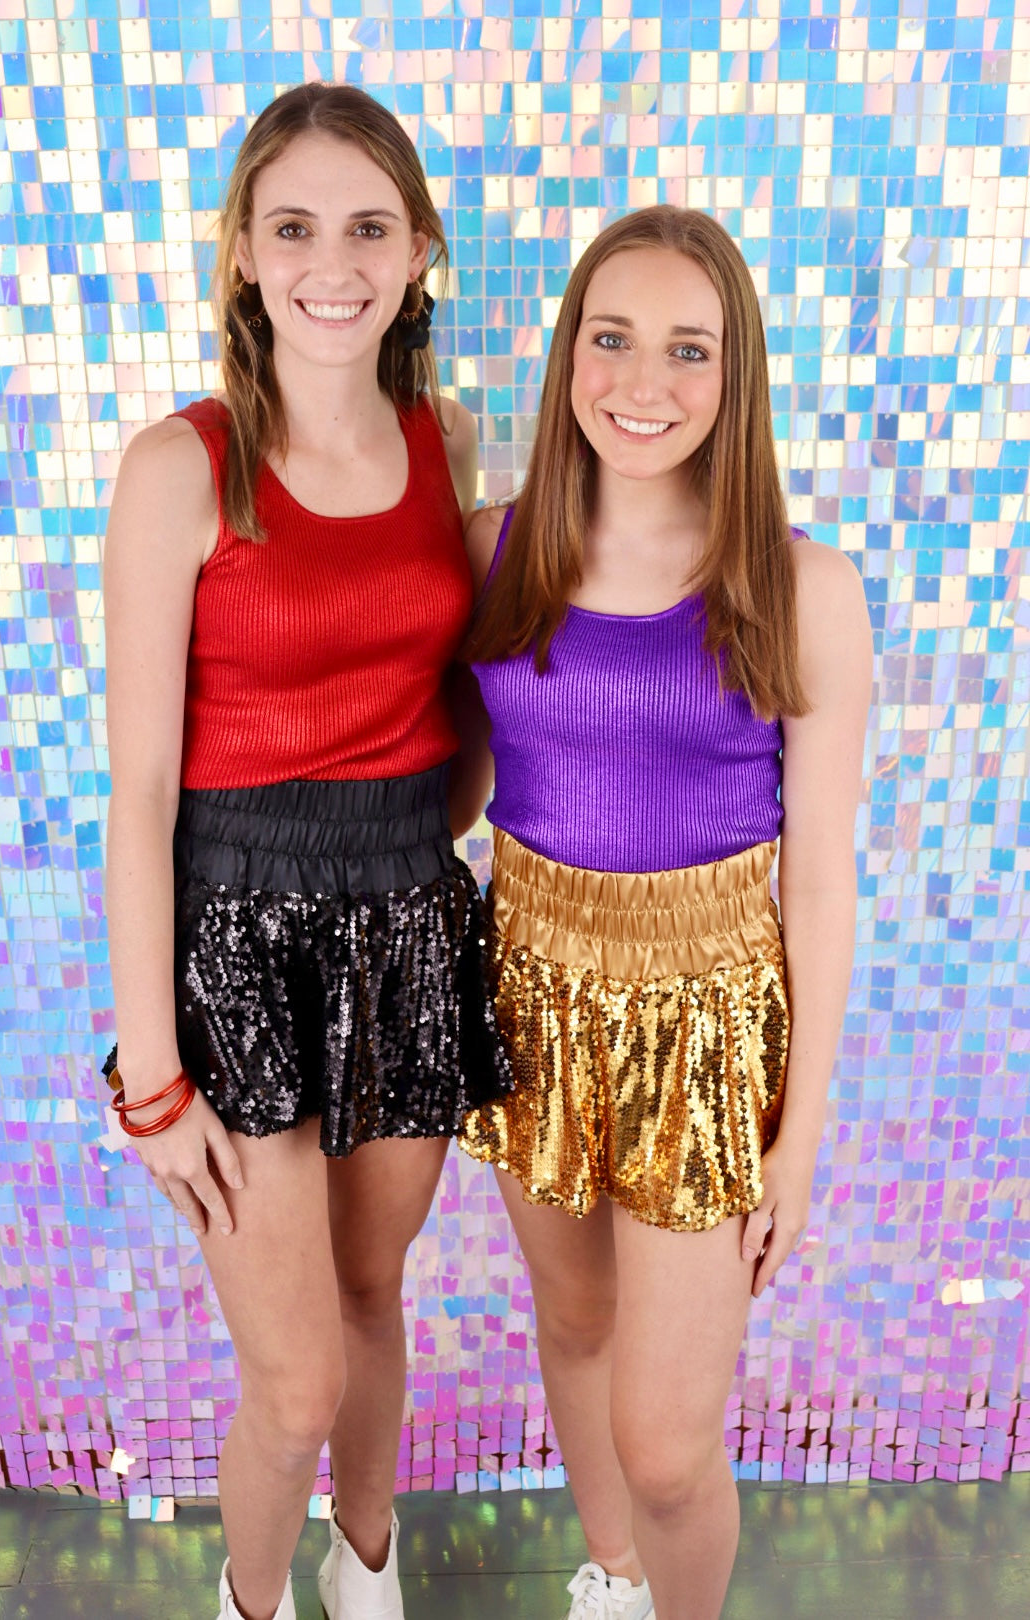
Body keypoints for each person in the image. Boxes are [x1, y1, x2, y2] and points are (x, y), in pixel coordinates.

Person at [102, 83, 509, 1620]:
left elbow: (453, 707)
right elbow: (140, 790)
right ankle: (250, 1603)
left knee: (371, 1291)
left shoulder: (447, 437)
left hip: (406, 916)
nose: (331, 264)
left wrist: (447, 843)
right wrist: (155, 1076)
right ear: (243, 256)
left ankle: (368, 1565)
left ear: (417, 253)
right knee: (292, 1379)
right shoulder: (180, 468)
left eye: (367, 228)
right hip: (235, 938)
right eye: (294, 228)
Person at [458, 206, 872, 1620]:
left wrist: (798, 1137)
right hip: (530, 993)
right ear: (569, 353)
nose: (644, 381)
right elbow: (442, 780)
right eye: (613, 337)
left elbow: (821, 878)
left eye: (689, 349)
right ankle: (616, 1576)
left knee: (670, 1447)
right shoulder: (495, 549)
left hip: (707, 1025)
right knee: (574, 1324)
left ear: (735, 372)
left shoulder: (802, 588)